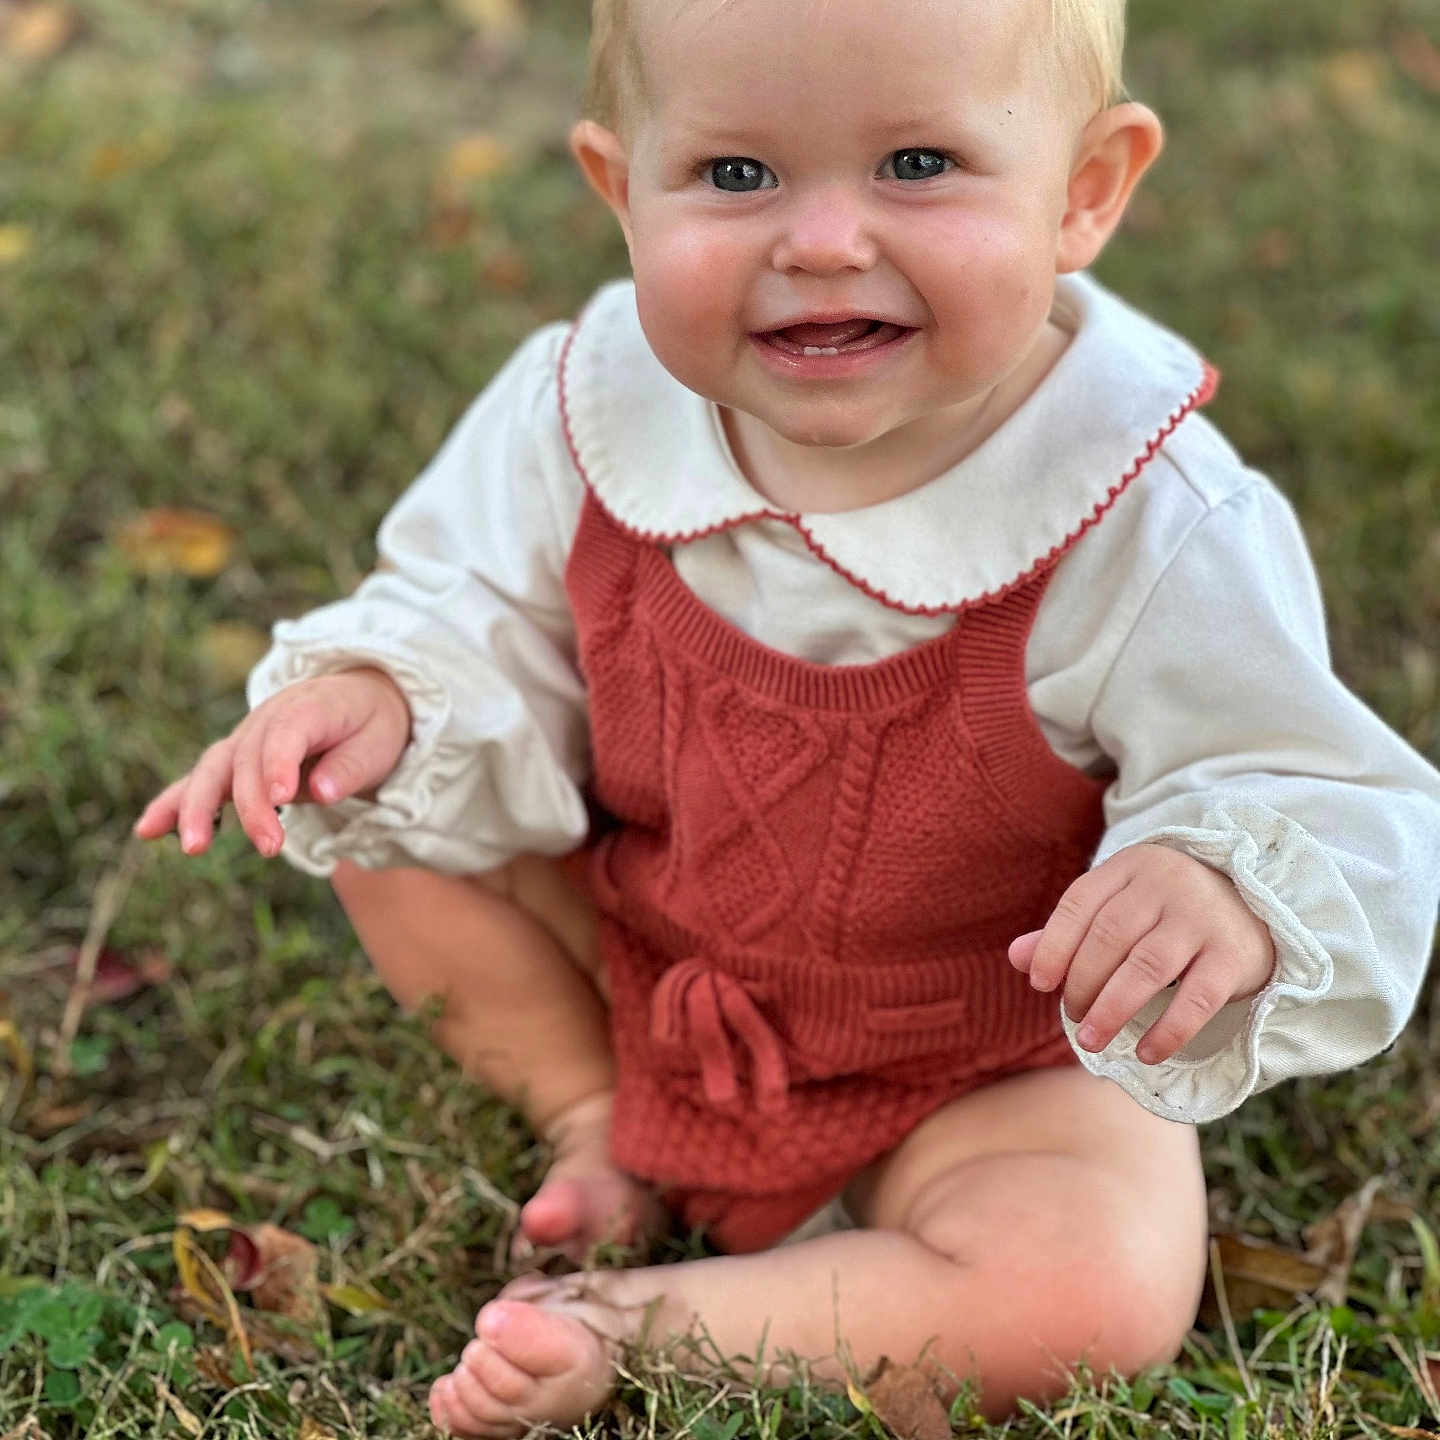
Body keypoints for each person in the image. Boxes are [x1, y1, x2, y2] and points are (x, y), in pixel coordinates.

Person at [137, 0, 1440, 1430]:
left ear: (1085, 190)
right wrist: (378, 694)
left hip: (986, 1057)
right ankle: (596, 1119)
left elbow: (1303, 778)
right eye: (739, 176)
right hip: (650, 944)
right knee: (371, 818)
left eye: (920, 164)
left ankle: (640, 1325)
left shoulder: (1143, 513)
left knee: (1098, 1290)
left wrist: (1217, 880)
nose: (822, 242)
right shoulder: (585, 414)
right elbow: (466, 610)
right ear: (620, 188)